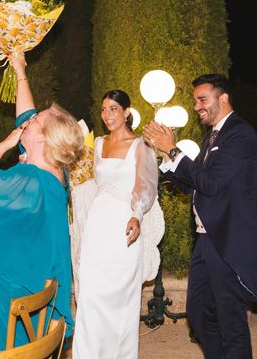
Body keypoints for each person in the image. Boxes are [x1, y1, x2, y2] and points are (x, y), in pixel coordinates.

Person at [0, 52, 84, 359]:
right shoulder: (56, 177)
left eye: (34, 123)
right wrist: (20, 70)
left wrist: (3, 146)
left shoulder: (28, 182)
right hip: (31, 289)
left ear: (44, 139)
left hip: (3, 295)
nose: (26, 124)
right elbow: (25, 115)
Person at [144, 73, 257, 359]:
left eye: (203, 99)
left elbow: (212, 183)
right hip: (204, 240)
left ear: (223, 98)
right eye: (195, 101)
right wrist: (167, 158)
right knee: (199, 316)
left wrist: (174, 149)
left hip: (227, 240)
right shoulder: (212, 136)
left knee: (231, 321)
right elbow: (193, 184)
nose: (197, 106)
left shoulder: (240, 134)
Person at [71, 90, 165, 359]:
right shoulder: (98, 143)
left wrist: (137, 215)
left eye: (113, 109)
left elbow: (146, 187)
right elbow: (94, 184)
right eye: (103, 109)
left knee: (121, 295)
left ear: (126, 112)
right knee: (90, 293)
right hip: (97, 224)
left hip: (125, 223)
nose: (107, 115)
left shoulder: (141, 145)